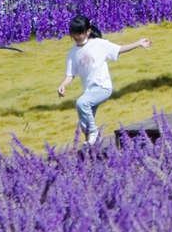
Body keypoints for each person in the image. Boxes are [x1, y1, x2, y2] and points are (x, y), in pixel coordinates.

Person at [58, 14, 152, 146]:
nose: (76, 37)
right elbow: (71, 74)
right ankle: (91, 146)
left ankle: (94, 133)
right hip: (89, 91)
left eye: (79, 33)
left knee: (81, 104)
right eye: (73, 34)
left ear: (88, 31)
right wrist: (63, 85)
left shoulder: (99, 44)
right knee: (84, 118)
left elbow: (119, 49)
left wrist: (138, 43)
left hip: (103, 87)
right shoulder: (73, 52)